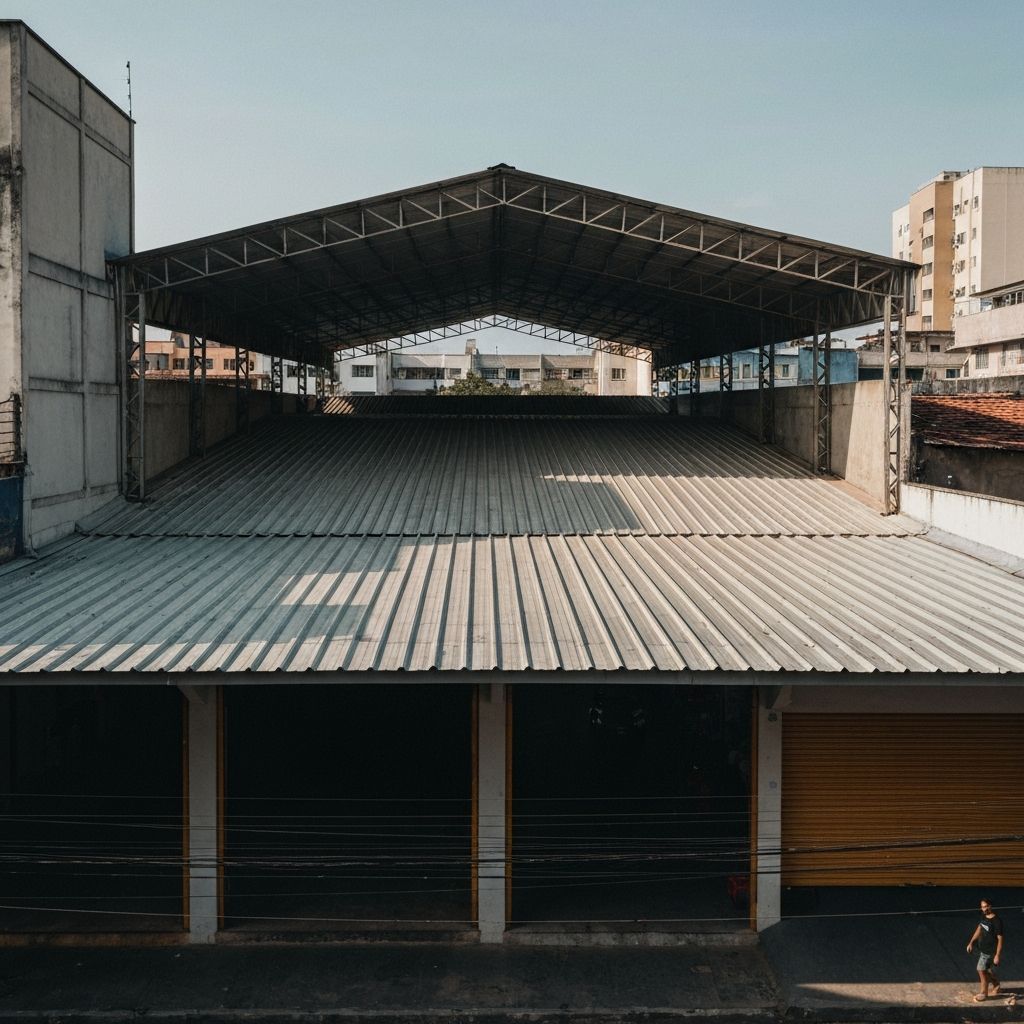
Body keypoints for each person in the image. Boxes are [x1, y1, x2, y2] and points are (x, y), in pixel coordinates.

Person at [967, 898, 1003, 1001]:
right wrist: (971, 942)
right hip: (982, 949)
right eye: (983, 907)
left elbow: (1000, 939)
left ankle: (984, 993)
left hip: (990, 952)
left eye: (987, 906)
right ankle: (996, 985)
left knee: (981, 970)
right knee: (988, 970)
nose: (985, 908)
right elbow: (980, 928)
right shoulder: (983, 916)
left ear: (990, 906)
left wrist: (997, 955)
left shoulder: (996, 921)